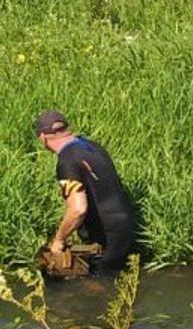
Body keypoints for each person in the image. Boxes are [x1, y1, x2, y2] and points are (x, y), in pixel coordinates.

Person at [34, 110, 138, 276]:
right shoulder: (92, 146)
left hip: (106, 238)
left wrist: (59, 241)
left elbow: (78, 209)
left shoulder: (67, 160)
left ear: (43, 138)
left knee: (98, 291)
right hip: (127, 225)